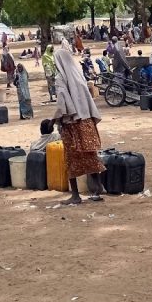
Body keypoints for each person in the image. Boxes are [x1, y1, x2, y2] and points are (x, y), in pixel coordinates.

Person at [52, 42, 106, 206]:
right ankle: (97, 187)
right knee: (90, 153)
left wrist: (55, 120)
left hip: (73, 124)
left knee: (71, 158)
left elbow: (63, 104)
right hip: (87, 121)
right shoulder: (78, 75)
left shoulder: (60, 78)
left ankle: (75, 195)